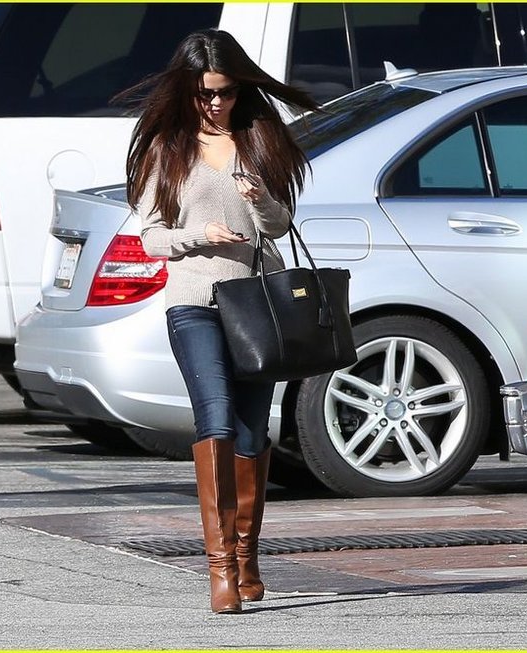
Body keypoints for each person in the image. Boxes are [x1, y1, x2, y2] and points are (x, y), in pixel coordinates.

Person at [123, 29, 319, 614]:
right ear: (187, 90)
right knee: (216, 420)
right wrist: (197, 236)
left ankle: (247, 556)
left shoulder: (259, 140)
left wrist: (258, 198)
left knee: (253, 431)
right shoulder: (168, 149)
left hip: (255, 304)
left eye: (226, 92)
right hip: (192, 301)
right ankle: (221, 571)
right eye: (205, 93)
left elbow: (280, 225)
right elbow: (151, 237)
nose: (215, 103)